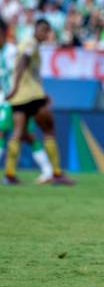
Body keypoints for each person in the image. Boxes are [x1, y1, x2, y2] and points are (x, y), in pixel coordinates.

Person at [3, 19, 72, 185]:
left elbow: (29, 71)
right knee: (48, 128)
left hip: (20, 97)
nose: (46, 34)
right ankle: (56, 173)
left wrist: (15, 90)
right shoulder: (30, 44)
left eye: (48, 31)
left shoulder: (27, 44)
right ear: (36, 29)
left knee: (18, 132)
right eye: (44, 31)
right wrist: (15, 87)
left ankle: (9, 174)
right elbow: (22, 62)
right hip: (31, 96)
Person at [0, 20, 54, 183]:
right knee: (26, 135)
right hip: (7, 98)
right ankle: (48, 170)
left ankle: (12, 174)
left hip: (15, 99)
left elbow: (23, 69)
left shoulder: (11, 51)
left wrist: (16, 90)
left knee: (7, 133)